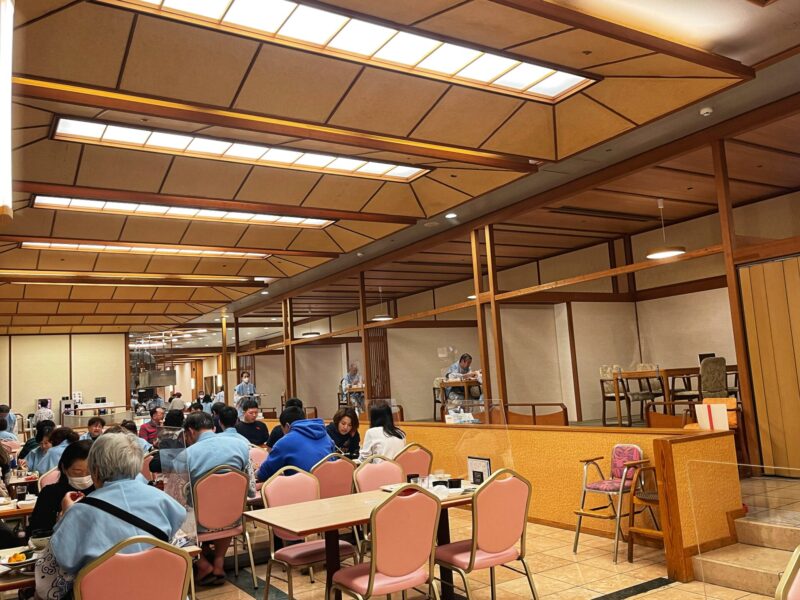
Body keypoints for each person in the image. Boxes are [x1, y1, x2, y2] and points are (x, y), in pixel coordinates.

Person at [43, 433, 186, 599]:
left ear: (94, 471)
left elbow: (51, 576)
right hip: (162, 591)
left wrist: (64, 516)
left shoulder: (79, 512)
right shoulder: (164, 500)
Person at [183, 412, 253, 585]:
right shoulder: (241, 446)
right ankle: (219, 562)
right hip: (233, 518)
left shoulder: (186, 455)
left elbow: (175, 498)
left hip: (199, 522)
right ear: (213, 428)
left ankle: (202, 563)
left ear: (190, 432)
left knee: (173, 519)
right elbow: (250, 490)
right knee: (226, 507)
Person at [29, 440, 94, 536]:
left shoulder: (101, 493)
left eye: (90, 472)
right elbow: (35, 532)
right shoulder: (50, 493)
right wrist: (61, 520)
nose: (84, 477)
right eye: (77, 471)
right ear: (64, 468)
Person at [257, 406, 334, 481]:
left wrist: (255, 473)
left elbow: (264, 473)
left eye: (282, 428)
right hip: (332, 485)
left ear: (287, 426)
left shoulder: (285, 442)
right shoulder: (326, 436)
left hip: (304, 488)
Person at [148, 409, 185, 474]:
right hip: (181, 465)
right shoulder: (183, 433)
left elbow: (156, 444)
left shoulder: (162, 432)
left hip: (164, 465)